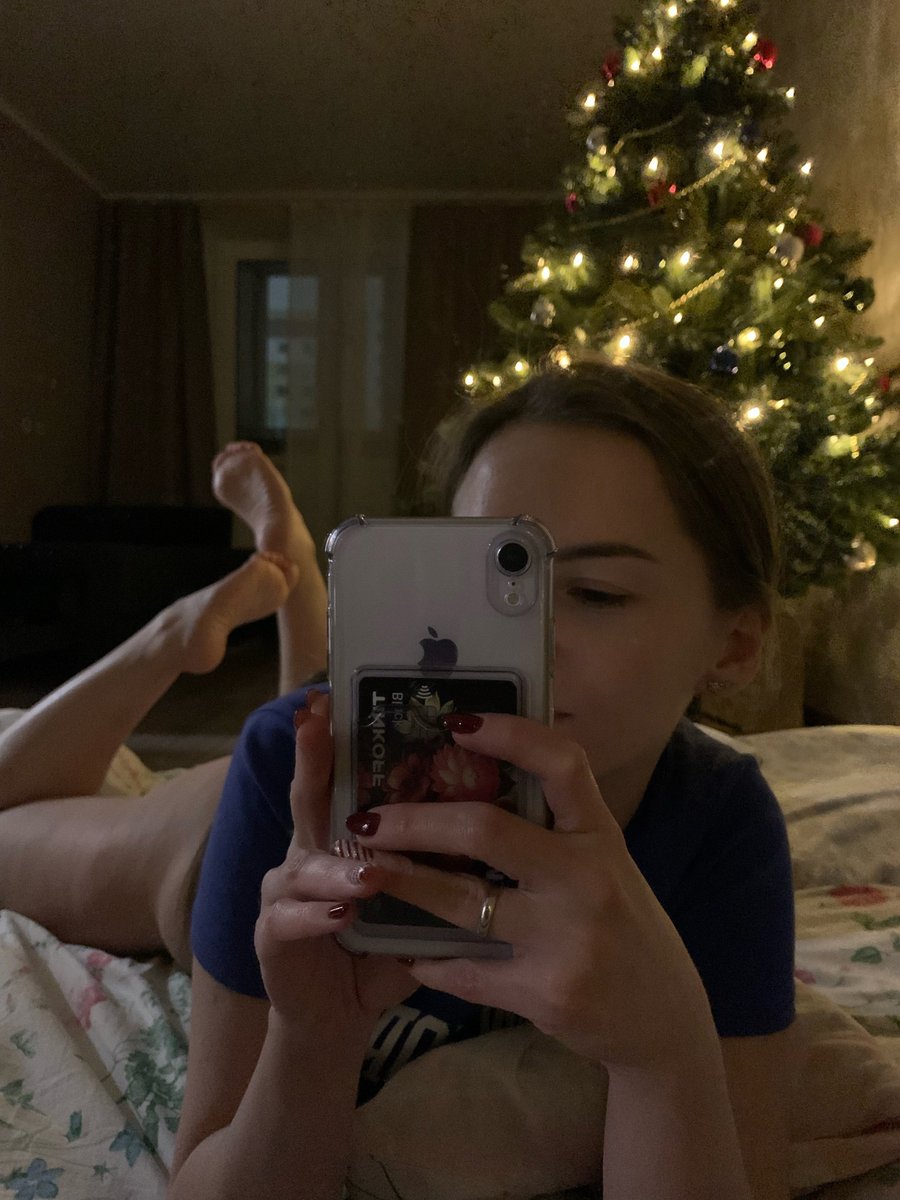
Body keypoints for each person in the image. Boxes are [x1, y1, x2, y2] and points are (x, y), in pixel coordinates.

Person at [0, 357, 796, 1200]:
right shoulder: (284, 768)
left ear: (735, 645)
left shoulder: (720, 822)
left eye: (596, 593)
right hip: (216, 835)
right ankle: (174, 636)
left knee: (319, 704)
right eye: (491, 582)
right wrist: (310, 1042)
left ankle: (293, 569)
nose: (523, 644)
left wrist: (664, 1053)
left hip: (354, 740)